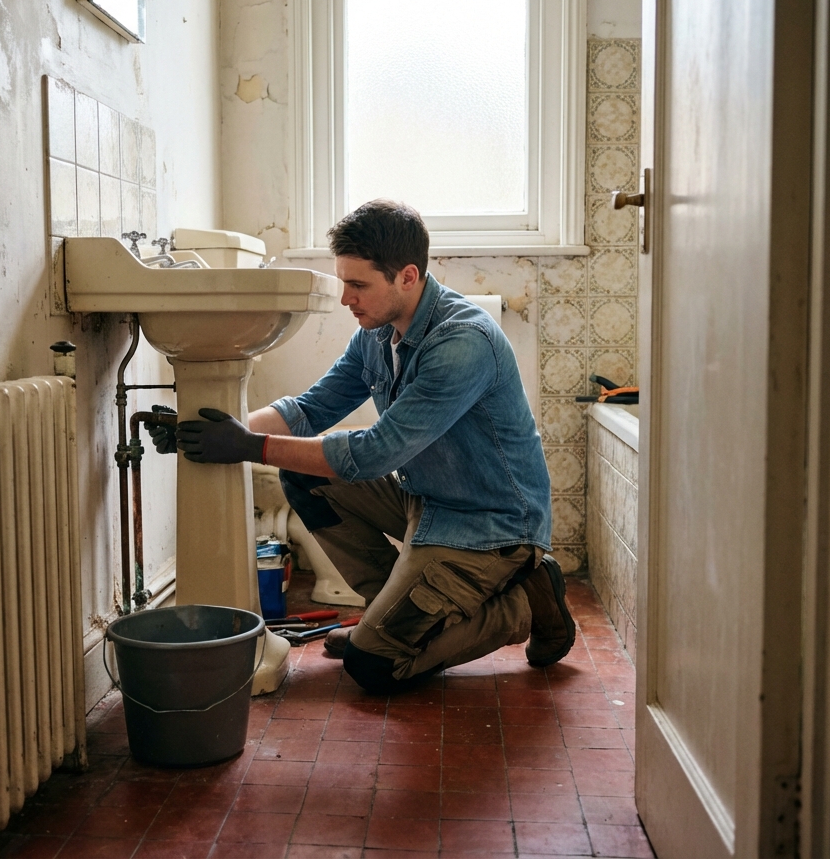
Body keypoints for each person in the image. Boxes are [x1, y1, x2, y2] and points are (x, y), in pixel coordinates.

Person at [153, 200, 574, 694]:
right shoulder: (377, 334)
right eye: (343, 281)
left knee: (373, 666)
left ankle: (523, 604)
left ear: (407, 276)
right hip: (426, 500)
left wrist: (247, 446)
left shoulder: (463, 342)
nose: (345, 298)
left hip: (489, 525)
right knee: (304, 474)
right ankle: (387, 613)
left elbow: (374, 453)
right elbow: (309, 409)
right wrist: (211, 430)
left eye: (358, 285)